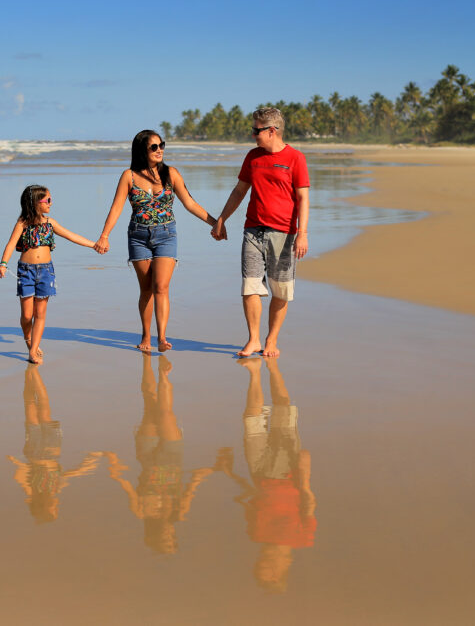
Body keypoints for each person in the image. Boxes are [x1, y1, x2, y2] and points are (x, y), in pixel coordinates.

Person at [95, 130, 217, 352]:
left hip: (166, 234)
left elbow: (190, 203)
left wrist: (215, 222)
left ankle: (162, 337)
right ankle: (145, 336)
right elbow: (116, 208)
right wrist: (104, 235)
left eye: (161, 145)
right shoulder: (128, 176)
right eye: (154, 146)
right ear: (143, 149)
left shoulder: (171, 173)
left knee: (161, 286)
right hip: (138, 236)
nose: (159, 149)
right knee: (146, 290)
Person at [212, 107, 310, 357]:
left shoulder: (295, 158)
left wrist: (303, 233)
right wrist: (222, 219)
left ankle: (271, 340)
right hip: (253, 230)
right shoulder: (252, 157)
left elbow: (302, 198)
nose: (253, 134)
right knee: (250, 286)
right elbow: (239, 191)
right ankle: (254, 339)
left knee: (280, 290)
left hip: (284, 233)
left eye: (256, 130)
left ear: (272, 130)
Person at [101, 353, 217, 554]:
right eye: (172, 539)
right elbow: (192, 485)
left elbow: (127, 485)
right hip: (173, 455)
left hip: (147, 454)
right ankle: (164, 375)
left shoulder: (141, 511)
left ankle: (148, 364)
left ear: (155, 537)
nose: (169, 535)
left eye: (165, 541)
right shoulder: (178, 513)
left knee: (149, 402)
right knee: (165, 412)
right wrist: (213, 469)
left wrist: (115, 465)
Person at [218, 357, 316, 593]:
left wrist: (230, 473)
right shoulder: (302, 538)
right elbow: (308, 501)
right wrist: (304, 472)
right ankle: (272, 368)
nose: (260, 560)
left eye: (258, 564)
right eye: (264, 566)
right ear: (279, 570)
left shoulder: (255, 534)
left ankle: (254, 373)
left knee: (251, 419)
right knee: (282, 408)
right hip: (287, 471)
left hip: (258, 471)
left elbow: (251, 499)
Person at [0, 184, 96, 363]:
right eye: (47, 200)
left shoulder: (51, 223)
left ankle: (33, 350)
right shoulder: (22, 223)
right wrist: (3, 264)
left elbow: (71, 236)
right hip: (25, 271)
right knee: (27, 315)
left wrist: (94, 245)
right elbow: (11, 244)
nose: (51, 203)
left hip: (46, 271)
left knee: (40, 313)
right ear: (35, 203)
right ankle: (29, 340)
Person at [7, 365, 101, 523]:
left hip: (34, 451)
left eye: (54, 509)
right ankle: (34, 374)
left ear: (44, 507)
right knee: (43, 408)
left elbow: (21, 477)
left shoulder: (33, 492)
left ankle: (29, 377)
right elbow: (68, 475)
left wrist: (17, 462)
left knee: (30, 406)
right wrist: (86, 466)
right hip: (52, 449)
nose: (57, 506)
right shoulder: (55, 489)